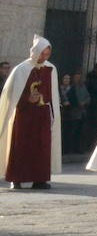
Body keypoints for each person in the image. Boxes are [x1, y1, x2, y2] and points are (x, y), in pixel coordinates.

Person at [0, 36, 61, 189]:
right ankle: (17, 178)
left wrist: (42, 98)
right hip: (24, 114)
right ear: (35, 52)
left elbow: (52, 93)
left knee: (42, 146)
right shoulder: (21, 69)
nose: (44, 57)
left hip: (42, 115)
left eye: (47, 54)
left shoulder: (50, 69)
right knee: (21, 145)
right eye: (42, 53)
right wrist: (27, 98)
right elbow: (11, 94)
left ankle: (39, 179)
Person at [66, 72, 90, 153]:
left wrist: (84, 102)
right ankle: (70, 149)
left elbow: (88, 97)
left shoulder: (83, 87)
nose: (78, 79)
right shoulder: (71, 88)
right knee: (72, 131)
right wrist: (77, 104)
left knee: (81, 131)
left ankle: (79, 149)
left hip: (82, 112)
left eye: (79, 77)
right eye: (76, 77)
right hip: (74, 112)